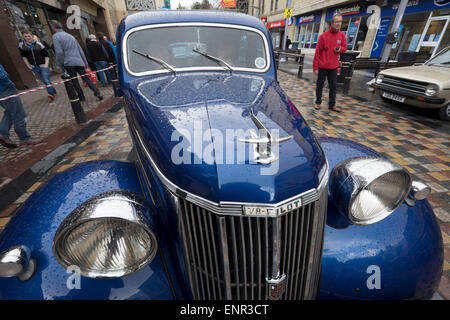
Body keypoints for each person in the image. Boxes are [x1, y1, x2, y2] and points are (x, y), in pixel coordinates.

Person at [49, 20, 102, 101]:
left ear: (53, 27)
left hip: (68, 62)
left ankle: (81, 96)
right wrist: (85, 62)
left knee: (74, 81)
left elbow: (59, 52)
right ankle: (97, 92)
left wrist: (60, 63)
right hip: (79, 61)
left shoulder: (56, 36)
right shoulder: (70, 36)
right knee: (86, 78)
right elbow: (80, 50)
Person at [0, 64, 42, 148]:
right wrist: (10, 85)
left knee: (9, 112)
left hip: (2, 92)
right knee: (18, 114)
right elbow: (2, 76)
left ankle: (3, 134)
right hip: (6, 90)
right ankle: (24, 138)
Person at [313, 13, 347, 113]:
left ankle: (332, 105)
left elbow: (344, 48)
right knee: (320, 85)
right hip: (322, 66)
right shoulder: (324, 36)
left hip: (333, 66)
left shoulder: (342, 35)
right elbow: (317, 52)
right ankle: (318, 102)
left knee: (333, 86)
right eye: (336, 22)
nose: (338, 24)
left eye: (340, 22)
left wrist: (340, 49)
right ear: (332, 23)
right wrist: (315, 67)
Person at [19, 29, 57, 101]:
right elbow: (24, 57)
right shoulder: (22, 46)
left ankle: (51, 94)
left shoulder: (39, 44)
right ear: (23, 37)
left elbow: (46, 55)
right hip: (34, 67)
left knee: (46, 80)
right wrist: (28, 66)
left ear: (32, 36)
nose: (27, 37)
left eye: (29, 36)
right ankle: (53, 90)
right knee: (45, 81)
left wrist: (46, 64)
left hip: (43, 65)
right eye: (25, 36)